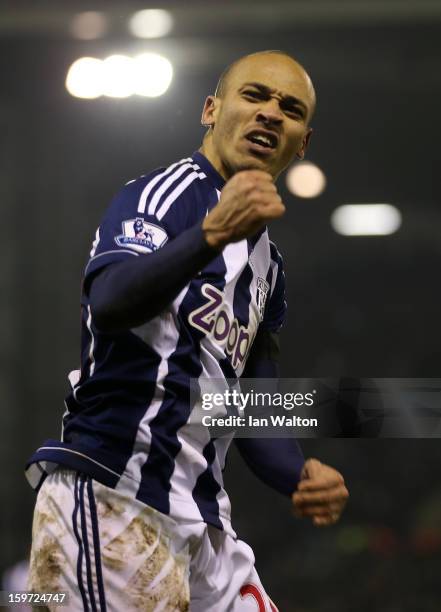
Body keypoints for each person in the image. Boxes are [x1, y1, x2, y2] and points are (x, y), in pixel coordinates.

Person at [26, 50, 349, 611]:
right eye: (254, 96)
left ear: (303, 144)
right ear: (210, 109)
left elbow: (248, 405)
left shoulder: (269, 268)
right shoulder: (160, 196)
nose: (271, 112)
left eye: (289, 108)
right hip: (114, 501)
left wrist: (300, 473)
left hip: (204, 525)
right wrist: (207, 235)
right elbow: (108, 302)